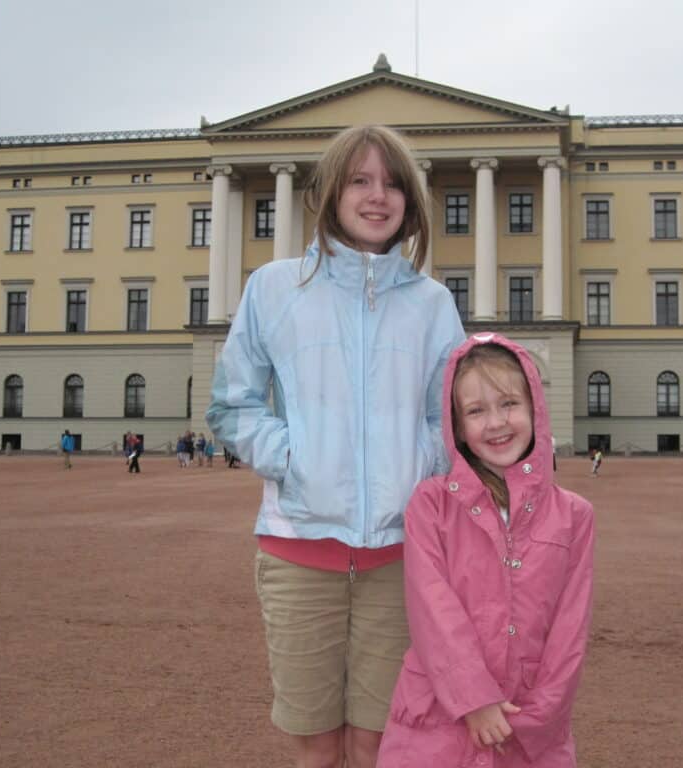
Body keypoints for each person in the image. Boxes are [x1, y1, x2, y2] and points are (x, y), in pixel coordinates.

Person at [206, 124, 466, 768]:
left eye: (392, 184)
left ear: (410, 201)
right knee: (315, 747)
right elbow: (231, 403)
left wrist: (422, 462)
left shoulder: (434, 304)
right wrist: (294, 460)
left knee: (381, 743)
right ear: (328, 192)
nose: (378, 197)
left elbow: (450, 417)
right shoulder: (274, 287)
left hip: (402, 559)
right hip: (298, 552)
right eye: (360, 180)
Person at [377, 334, 593, 768]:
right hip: (437, 724)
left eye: (509, 403)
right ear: (456, 427)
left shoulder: (575, 516)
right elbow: (432, 610)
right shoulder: (431, 504)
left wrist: (535, 720)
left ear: (535, 407)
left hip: (528, 730)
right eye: (476, 411)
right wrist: (474, 699)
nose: (495, 423)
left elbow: (570, 632)